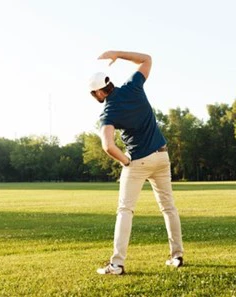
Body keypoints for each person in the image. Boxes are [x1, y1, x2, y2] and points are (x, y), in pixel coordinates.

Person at [88, 50, 184, 275]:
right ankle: (177, 255)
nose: (96, 98)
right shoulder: (133, 86)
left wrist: (125, 161)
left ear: (100, 91)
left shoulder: (108, 112)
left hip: (138, 161)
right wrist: (117, 55)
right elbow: (147, 59)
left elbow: (108, 146)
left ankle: (117, 264)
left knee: (125, 210)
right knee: (168, 207)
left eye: (94, 94)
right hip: (162, 156)